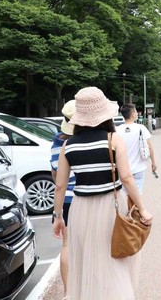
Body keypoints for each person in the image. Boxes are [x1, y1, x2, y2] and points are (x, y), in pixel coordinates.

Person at [52, 86, 153, 300]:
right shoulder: (113, 139)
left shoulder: (67, 145)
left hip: (80, 208)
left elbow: (59, 185)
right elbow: (126, 178)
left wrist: (58, 216)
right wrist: (142, 209)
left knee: (86, 260)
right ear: (105, 114)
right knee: (114, 260)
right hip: (110, 206)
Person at [49, 100, 76, 297]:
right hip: (83, 198)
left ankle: (68, 292)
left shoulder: (56, 141)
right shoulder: (81, 142)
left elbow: (56, 179)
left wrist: (56, 212)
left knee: (67, 245)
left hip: (65, 201)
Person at [117, 104, 158, 194]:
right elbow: (149, 147)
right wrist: (153, 162)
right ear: (132, 114)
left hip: (123, 169)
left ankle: (127, 208)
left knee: (124, 195)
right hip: (138, 168)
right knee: (136, 196)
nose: (137, 114)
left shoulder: (117, 130)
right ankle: (135, 207)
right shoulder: (141, 128)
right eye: (135, 112)